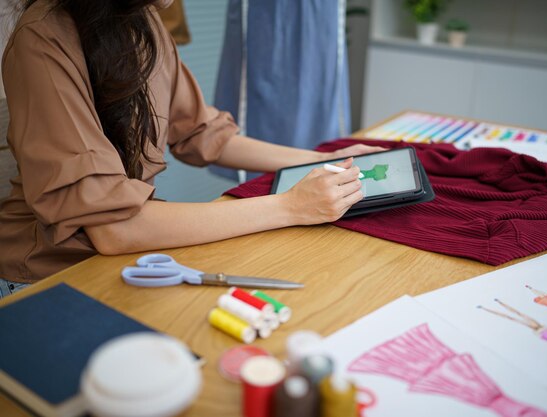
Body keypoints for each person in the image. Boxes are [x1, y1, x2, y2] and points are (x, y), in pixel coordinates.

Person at [0, 0, 384, 291]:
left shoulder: (145, 21)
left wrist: (325, 158)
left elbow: (202, 133)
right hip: (45, 277)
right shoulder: (43, 37)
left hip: (122, 258)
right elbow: (112, 228)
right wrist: (290, 207)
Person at [212, 0, 351, 181]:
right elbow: (202, 139)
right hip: (268, 13)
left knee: (319, 109)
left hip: (320, 13)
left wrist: (327, 158)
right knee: (263, 113)